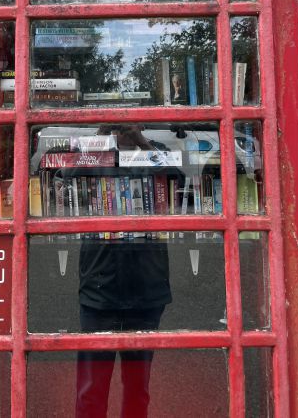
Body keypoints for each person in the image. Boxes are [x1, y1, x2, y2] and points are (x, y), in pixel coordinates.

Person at [76, 125, 172, 418]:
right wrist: (100, 138)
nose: (123, 131)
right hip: (99, 290)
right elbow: (64, 178)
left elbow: (179, 178)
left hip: (147, 289)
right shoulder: (95, 155)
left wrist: (141, 143)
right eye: (116, 125)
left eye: (129, 125)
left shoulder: (156, 153)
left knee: (137, 387)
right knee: (91, 387)